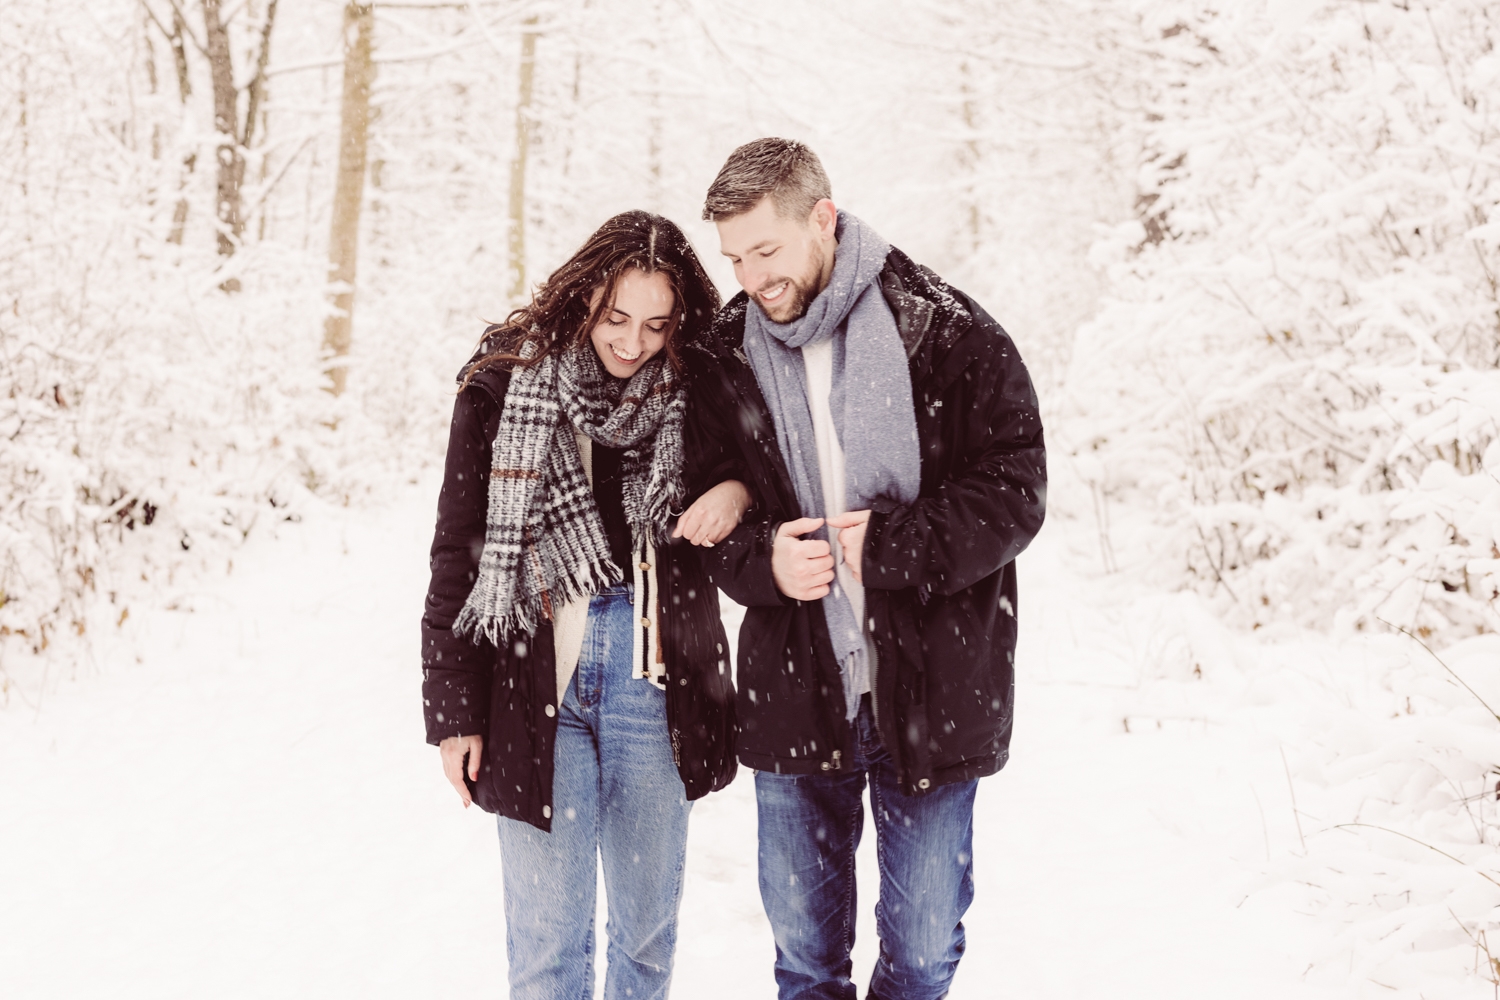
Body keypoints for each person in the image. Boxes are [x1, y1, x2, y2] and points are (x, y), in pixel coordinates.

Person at [685, 139, 1047, 1000]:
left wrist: (894, 548)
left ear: (824, 217)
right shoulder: (723, 353)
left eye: (766, 251)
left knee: (921, 955)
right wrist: (760, 562)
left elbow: (1016, 485)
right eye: (734, 257)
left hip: (932, 686)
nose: (752, 276)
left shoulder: (945, 329)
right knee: (805, 962)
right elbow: (703, 501)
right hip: (795, 690)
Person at [421, 210, 752, 1000]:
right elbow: (457, 551)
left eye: (655, 324)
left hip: (657, 677)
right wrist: (454, 711)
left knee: (643, 940)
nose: (633, 343)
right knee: (547, 949)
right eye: (615, 318)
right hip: (539, 679)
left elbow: (757, 475)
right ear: (583, 297)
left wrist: (735, 492)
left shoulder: (700, 388)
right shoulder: (505, 385)